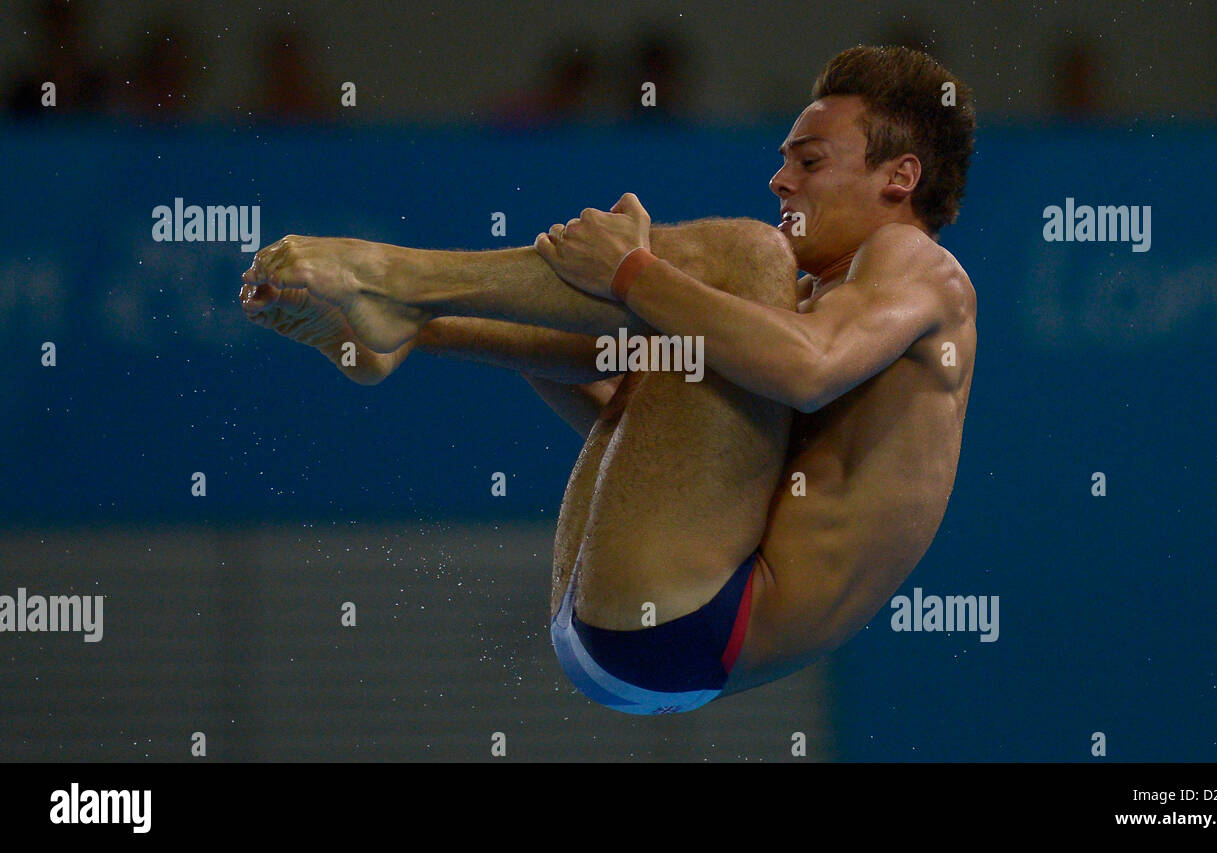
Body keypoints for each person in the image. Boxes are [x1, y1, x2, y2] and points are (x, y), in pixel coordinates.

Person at [239, 45, 977, 714]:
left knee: (744, 255)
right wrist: (478, 324)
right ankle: (415, 323)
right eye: (786, 160)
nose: (780, 179)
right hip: (643, 632)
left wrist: (631, 271)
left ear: (900, 177)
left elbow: (809, 369)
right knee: (669, 333)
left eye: (810, 162)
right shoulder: (812, 307)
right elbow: (624, 402)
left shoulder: (922, 269)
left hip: (699, 619)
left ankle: (396, 278)